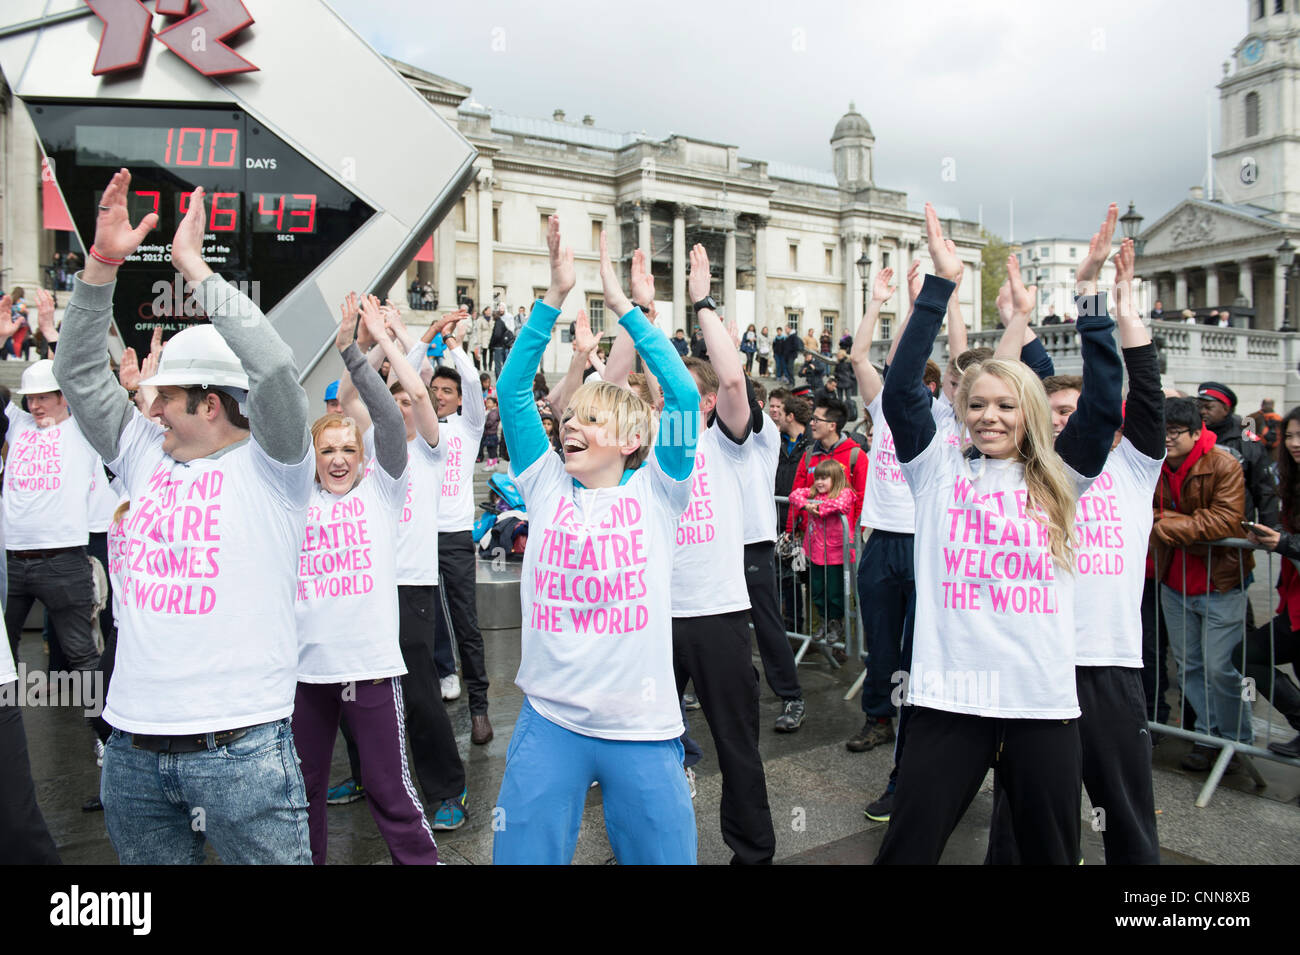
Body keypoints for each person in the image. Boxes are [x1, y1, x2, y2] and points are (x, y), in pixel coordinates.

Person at [54, 173, 316, 864]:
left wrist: (195, 269)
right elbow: (79, 374)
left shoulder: (277, 465)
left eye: (166, 394)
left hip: (243, 752)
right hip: (133, 752)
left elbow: (272, 367)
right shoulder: (142, 452)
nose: (151, 403)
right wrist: (101, 267)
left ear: (210, 402)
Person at [874, 202, 1122, 865]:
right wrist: (941, 284)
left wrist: (1091, 293)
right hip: (949, 698)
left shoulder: (1062, 476)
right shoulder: (936, 469)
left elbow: (1105, 402)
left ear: (1031, 412)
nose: (989, 416)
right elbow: (900, 390)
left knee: (1048, 853)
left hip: (1040, 701)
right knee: (907, 848)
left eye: (1006, 405)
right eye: (977, 404)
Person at [492, 216, 701, 864]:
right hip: (550, 720)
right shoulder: (547, 486)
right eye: (571, 416)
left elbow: (687, 397)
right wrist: (554, 294)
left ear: (632, 440)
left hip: (640, 727)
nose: (572, 425)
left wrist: (627, 311)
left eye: (591, 418)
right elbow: (511, 392)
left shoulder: (658, 492)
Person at [987, 233, 1165, 865]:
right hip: (1041, 662)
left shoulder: (1135, 466)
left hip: (1111, 666)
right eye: (1052, 412)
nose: (1062, 420)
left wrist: (1114, 305)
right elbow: (1024, 387)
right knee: (1025, 819)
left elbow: (1140, 387)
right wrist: (1020, 321)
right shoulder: (1035, 472)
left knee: (1127, 814)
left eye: (1073, 410)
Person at [292, 297, 439, 865]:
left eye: (347, 450)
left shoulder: (383, 488)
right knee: (301, 796)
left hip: (371, 670)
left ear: (363, 456)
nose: (336, 459)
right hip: (306, 673)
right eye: (326, 449)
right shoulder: (294, 497)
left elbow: (381, 413)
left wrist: (356, 352)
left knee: (388, 790)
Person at [332, 298, 471, 826]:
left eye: (409, 404)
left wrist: (395, 338)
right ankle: (367, 774)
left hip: (411, 585)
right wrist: (359, 342)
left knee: (418, 694)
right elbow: (348, 394)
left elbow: (416, 388)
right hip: (363, 584)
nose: (404, 409)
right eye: (392, 404)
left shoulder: (431, 448)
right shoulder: (370, 441)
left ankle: (448, 790)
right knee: (355, 687)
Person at [672, 243, 775, 864]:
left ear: (707, 402)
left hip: (718, 616)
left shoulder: (738, 445)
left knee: (736, 744)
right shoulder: (651, 454)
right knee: (649, 742)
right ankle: (656, 844)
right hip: (655, 616)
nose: (670, 401)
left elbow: (733, 376)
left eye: (684, 393)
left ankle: (753, 852)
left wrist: (703, 302)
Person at [1153, 396, 1255, 768]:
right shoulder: (1154, 461)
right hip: (1174, 580)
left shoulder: (1223, 462)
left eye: (1175, 432)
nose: (1166, 439)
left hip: (1221, 581)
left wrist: (1166, 523)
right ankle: (1209, 737)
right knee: (1189, 665)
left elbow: (1227, 521)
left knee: (1219, 666)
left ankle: (1237, 741)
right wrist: (1173, 522)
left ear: (1197, 433)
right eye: (1161, 431)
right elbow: (1140, 509)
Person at [2, 346, 101, 679]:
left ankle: (104, 732)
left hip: (62, 560)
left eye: (43, 397)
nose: (35, 405)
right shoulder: (19, 424)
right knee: (2, 653)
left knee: (82, 655)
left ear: (64, 397)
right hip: (11, 560)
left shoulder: (82, 430)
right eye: (30, 398)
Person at [426, 314, 493, 742]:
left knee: (465, 621)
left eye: (446, 392)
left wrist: (451, 343)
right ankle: (436, 684)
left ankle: (480, 707)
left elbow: (472, 383)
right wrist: (424, 337)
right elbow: (406, 378)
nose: (439, 396)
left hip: (453, 535)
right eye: (433, 391)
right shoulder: (417, 426)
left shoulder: (468, 428)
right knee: (422, 619)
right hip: (414, 536)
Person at [737, 377, 807, 733]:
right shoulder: (716, 438)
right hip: (721, 544)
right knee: (726, 627)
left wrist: (728, 357)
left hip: (755, 542)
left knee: (766, 624)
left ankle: (791, 696)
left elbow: (739, 388)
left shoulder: (765, 438)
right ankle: (733, 692)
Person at [1243, 406, 1300, 758]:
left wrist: (1284, 543)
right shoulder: (1290, 480)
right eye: (1291, 435)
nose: (1294, 443)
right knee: (1247, 654)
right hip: (1293, 603)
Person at [788, 460, 856, 643]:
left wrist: (817, 507)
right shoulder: (813, 493)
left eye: (824, 478)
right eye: (817, 478)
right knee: (817, 589)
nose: (819, 482)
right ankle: (824, 621)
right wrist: (806, 505)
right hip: (816, 553)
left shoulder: (845, 493)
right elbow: (794, 495)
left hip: (836, 554)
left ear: (835, 478)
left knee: (835, 591)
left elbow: (840, 505)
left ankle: (836, 622)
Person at [1196, 381, 1279, 528]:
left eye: (1208, 407)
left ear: (1226, 409)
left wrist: (1270, 529)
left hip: (1236, 528)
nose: (1203, 412)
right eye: (1200, 407)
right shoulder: (1191, 436)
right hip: (1196, 526)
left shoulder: (1246, 439)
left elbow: (1264, 488)